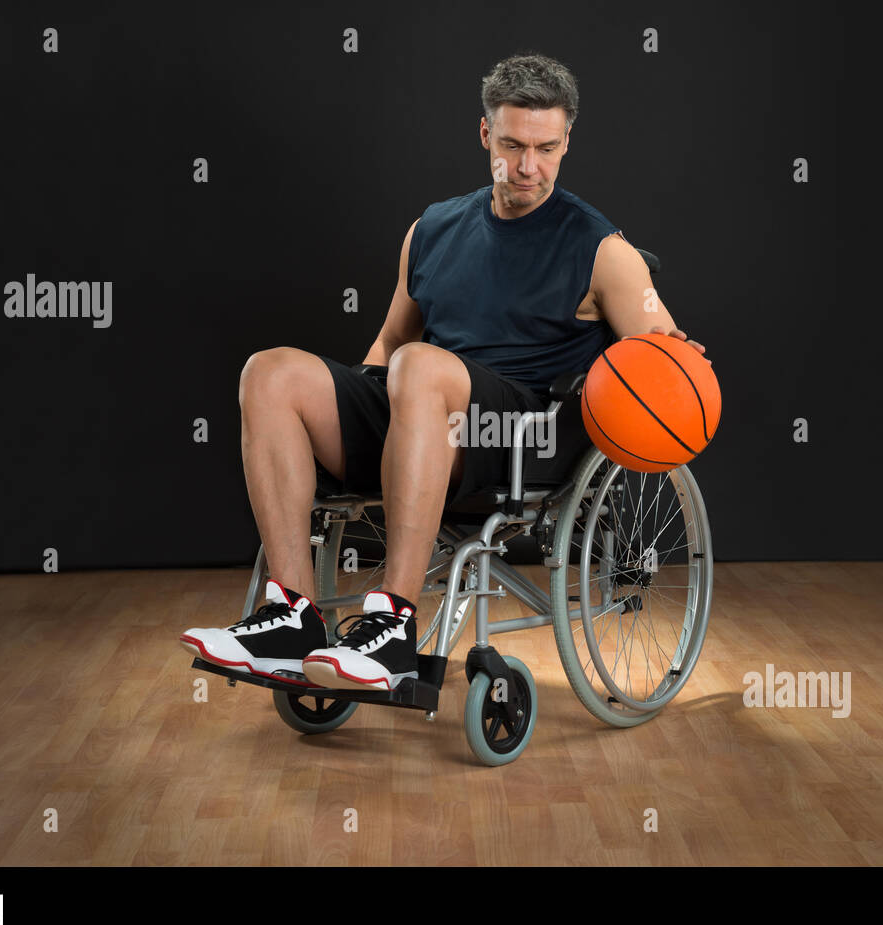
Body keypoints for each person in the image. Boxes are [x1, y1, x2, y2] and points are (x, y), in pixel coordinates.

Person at [179, 53, 707, 694]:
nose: (527, 167)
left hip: (520, 435)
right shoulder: (431, 229)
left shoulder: (603, 250)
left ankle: (394, 625)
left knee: (421, 367)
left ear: (568, 141)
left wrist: (673, 353)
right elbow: (388, 344)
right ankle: (290, 614)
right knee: (270, 373)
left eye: (545, 148)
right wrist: (347, 413)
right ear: (486, 134)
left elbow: (662, 349)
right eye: (512, 144)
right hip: (422, 409)